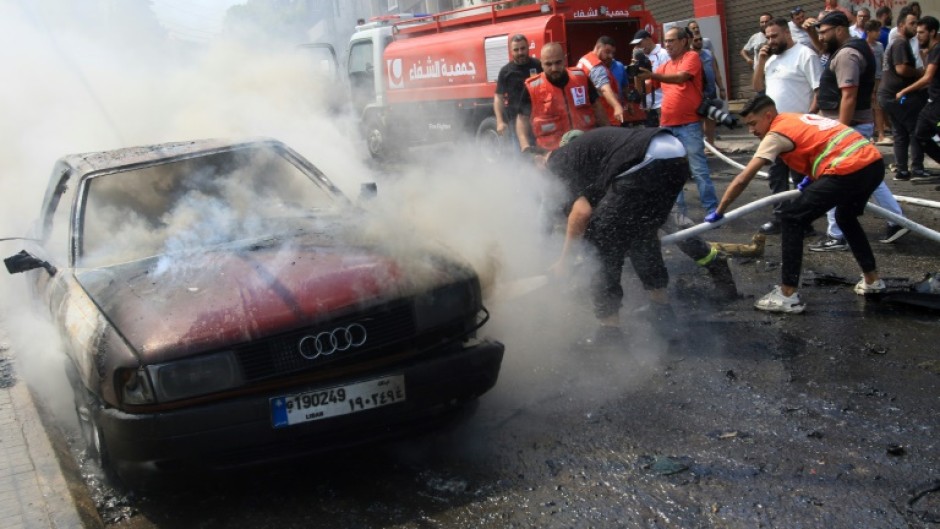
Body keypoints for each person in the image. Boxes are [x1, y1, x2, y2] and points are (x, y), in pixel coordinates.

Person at [705, 95, 886, 313]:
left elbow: (744, 177)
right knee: (845, 217)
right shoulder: (796, 118)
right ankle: (872, 280)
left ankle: (787, 294)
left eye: (753, 123)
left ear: (768, 116)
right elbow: (818, 143)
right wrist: (813, 178)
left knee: (792, 218)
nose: (751, 130)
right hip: (873, 164)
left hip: (846, 169)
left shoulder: (775, 134)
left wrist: (720, 210)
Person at [543, 127, 693, 345]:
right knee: (642, 233)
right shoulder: (585, 156)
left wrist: (564, 261)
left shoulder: (557, 163)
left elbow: (581, 213)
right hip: (677, 158)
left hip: (645, 162)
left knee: (601, 242)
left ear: (539, 163)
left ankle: (609, 331)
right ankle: (662, 310)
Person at [811, 11, 910, 250]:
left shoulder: (847, 54)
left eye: (824, 32)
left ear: (839, 29)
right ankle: (897, 220)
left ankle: (837, 235)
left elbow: (849, 95)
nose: (821, 37)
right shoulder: (848, 49)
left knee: (832, 179)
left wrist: (840, 134)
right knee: (867, 177)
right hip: (851, 125)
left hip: (847, 127)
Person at [638, 27, 719, 216]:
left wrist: (652, 75)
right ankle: (678, 215)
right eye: (666, 41)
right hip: (667, 125)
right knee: (670, 173)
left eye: (671, 40)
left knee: (698, 170)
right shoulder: (665, 66)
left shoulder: (691, 57)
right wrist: (638, 76)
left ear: (683, 41)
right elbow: (646, 89)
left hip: (688, 124)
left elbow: (681, 77)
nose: (667, 44)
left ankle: (712, 211)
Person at [752, 17, 821, 235]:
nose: (770, 41)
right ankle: (780, 218)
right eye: (768, 37)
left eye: (774, 36)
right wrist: (761, 61)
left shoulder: (805, 54)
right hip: (774, 130)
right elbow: (757, 87)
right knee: (776, 176)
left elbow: (818, 92)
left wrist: (808, 121)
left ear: (787, 34)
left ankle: (804, 222)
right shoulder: (770, 59)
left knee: (801, 178)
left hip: (798, 129)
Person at [516, 42, 603, 152]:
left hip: (585, 147)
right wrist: (525, 147)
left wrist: (608, 135)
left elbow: (597, 107)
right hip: (550, 153)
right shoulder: (532, 87)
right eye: (548, 64)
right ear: (541, 64)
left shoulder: (580, 78)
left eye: (558, 62)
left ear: (564, 59)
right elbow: (521, 120)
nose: (554, 68)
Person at [879, 7, 928, 180]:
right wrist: (920, 73)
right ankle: (917, 168)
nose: (915, 27)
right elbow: (902, 69)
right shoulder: (900, 43)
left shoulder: (898, 42)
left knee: (900, 133)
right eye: (912, 23)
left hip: (889, 96)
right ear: (901, 25)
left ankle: (902, 170)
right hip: (898, 96)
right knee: (915, 129)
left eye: (917, 23)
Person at [901, 16, 940, 166]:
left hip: (937, 106)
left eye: (922, 32)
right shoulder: (932, 51)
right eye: (917, 32)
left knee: (923, 133)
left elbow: (927, 77)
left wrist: (904, 91)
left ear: (932, 32)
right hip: (932, 104)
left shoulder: (937, 49)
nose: (918, 36)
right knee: (920, 134)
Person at [494, 34, 542, 151]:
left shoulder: (538, 65)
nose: (520, 52)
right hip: (516, 123)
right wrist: (500, 121)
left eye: (523, 48)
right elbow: (498, 97)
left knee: (541, 154)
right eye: (516, 49)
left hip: (539, 120)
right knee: (522, 157)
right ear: (511, 51)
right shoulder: (505, 72)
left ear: (528, 48)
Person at [578, 36, 626, 126]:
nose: (610, 56)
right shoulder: (596, 67)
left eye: (612, 53)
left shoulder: (584, 60)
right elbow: (604, 89)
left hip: (594, 116)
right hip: (606, 118)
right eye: (607, 52)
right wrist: (617, 106)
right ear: (598, 47)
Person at [692, 31, 727, 145]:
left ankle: (711, 144)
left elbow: (716, 72)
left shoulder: (708, 53)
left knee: (711, 119)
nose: (699, 41)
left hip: (711, 92)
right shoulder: (690, 56)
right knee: (700, 120)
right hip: (698, 94)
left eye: (700, 39)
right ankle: (701, 145)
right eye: (696, 40)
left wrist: (721, 88)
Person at [631, 29, 670, 127]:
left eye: (640, 43)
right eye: (636, 45)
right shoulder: (640, 57)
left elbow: (669, 77)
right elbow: (638, 83)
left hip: (662, 104)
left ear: (648, 39)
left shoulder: (663, 54)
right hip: (648, 106)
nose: (638, 47)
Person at [867, 20, 891, 145]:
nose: (878, 33)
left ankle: (881, 133)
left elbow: (883, 63)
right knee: (870, 107)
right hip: (868, 80)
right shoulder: (864, 45)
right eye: (876, 31)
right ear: (869, 32)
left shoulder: (880, 46)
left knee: (878, 107)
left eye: (879, 31)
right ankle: (872, 133)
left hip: (878, 79)